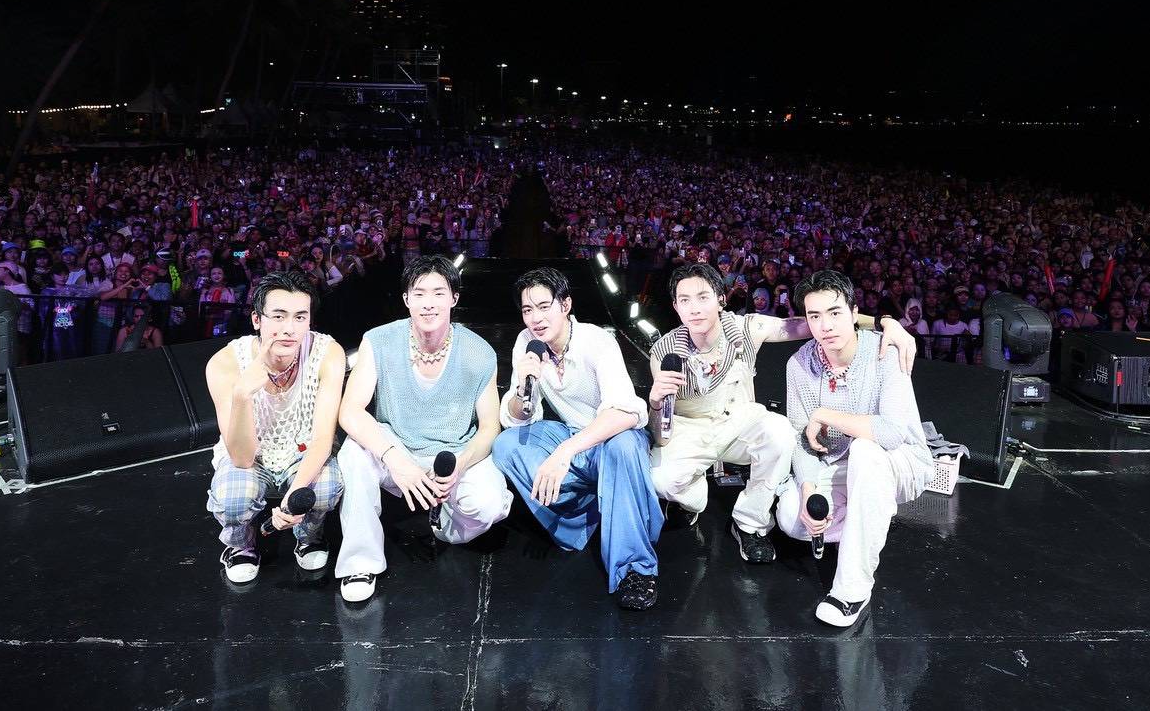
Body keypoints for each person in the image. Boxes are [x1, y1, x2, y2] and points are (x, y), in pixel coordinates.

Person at [646, 262, 916, 565]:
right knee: (661, 480)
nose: (694, 308)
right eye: (685, 300)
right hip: (691, 430)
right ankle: (692, 499)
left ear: (721, 299)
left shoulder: (746, 328)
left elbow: (812, 322)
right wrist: (655, 403)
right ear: (675, 307)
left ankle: (750, 524)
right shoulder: (664, 352)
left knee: (781, 432)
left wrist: (884, 322)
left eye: (703, 297)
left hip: (738, 424)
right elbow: (661, 434)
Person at [334, 255, 512, 603]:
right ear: (406, 300)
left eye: (438, 293)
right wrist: (395, 460)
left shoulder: (479, 352)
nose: (428, 303)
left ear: (454, 298)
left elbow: (490, 426)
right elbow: (350, 410)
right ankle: (360, 563)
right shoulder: (379, 341)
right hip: (395, 448)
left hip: (451, 453)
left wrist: (461, 464)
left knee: (489, 505)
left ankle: (443, 523)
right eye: (419, 293)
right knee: (354, 454)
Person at [491, 267, 663, 610]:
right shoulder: (527, 343)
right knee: (506, 445)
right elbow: (515, 417)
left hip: (611, 437)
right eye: (528, 310)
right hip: (573, 435)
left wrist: (564, 452)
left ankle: (635, 568)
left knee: (624, 446)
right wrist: (522, 387)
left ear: (566, 305)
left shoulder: (597, 342)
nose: (536, 318)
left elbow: (628, 413)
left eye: (544, 307)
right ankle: (588, 517)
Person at [772, 270, 934, 627]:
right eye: (815, 316)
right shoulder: (798, 364)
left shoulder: (885, 352)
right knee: (792, 519)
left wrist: (824, 414)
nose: (826, 325)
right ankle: (869, 516)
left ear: (854, 313)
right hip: (837, 465)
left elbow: (891, 433)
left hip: (900, 460)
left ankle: (851, 590)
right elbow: (802, 439)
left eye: (835, 313)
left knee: (865, 451)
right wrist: (808, 489)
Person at [204, 272, 348, 584]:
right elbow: (241, 457)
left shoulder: (327, 353)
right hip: (251, 457)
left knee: (324, 488)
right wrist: (242, 395)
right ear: (257, 320)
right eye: (279, 316)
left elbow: (323, 439)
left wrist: (295, 495)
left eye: (300, 317)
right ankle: (240, 544)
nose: (289, 329)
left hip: (302, 450)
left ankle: (308, 535)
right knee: (233, 497)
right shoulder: (224, 363)